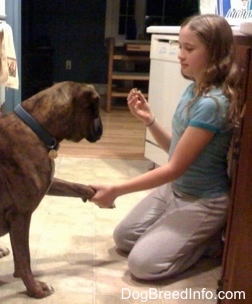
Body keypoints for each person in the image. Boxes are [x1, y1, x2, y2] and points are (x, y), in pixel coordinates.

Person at [90, 14, 243, 280]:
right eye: (180, 47)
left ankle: (205, 243)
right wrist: (149, 121)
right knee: (124, 238)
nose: (180, 55)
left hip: (203, 201)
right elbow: (177, 150)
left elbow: (173, 168)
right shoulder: (194, 88)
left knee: (142, 265)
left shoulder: (213, 104)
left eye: (189, 48)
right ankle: (179, 231)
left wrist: (116, 189)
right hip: (176, 190)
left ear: (215, 52)